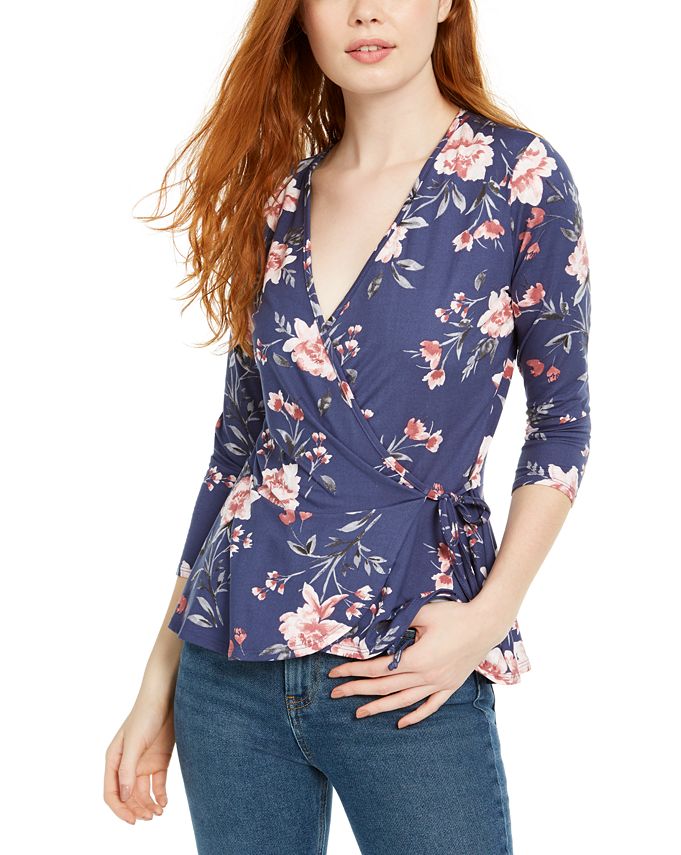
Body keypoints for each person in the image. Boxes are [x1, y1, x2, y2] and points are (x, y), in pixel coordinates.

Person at [104, 2, 592, 853]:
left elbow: (561, 429)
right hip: (230, 680)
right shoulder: (278, 199)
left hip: (407, 665)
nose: (366, 10)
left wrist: (489, 615)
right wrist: (158, 679)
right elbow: (238, 454)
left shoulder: (520, 177)